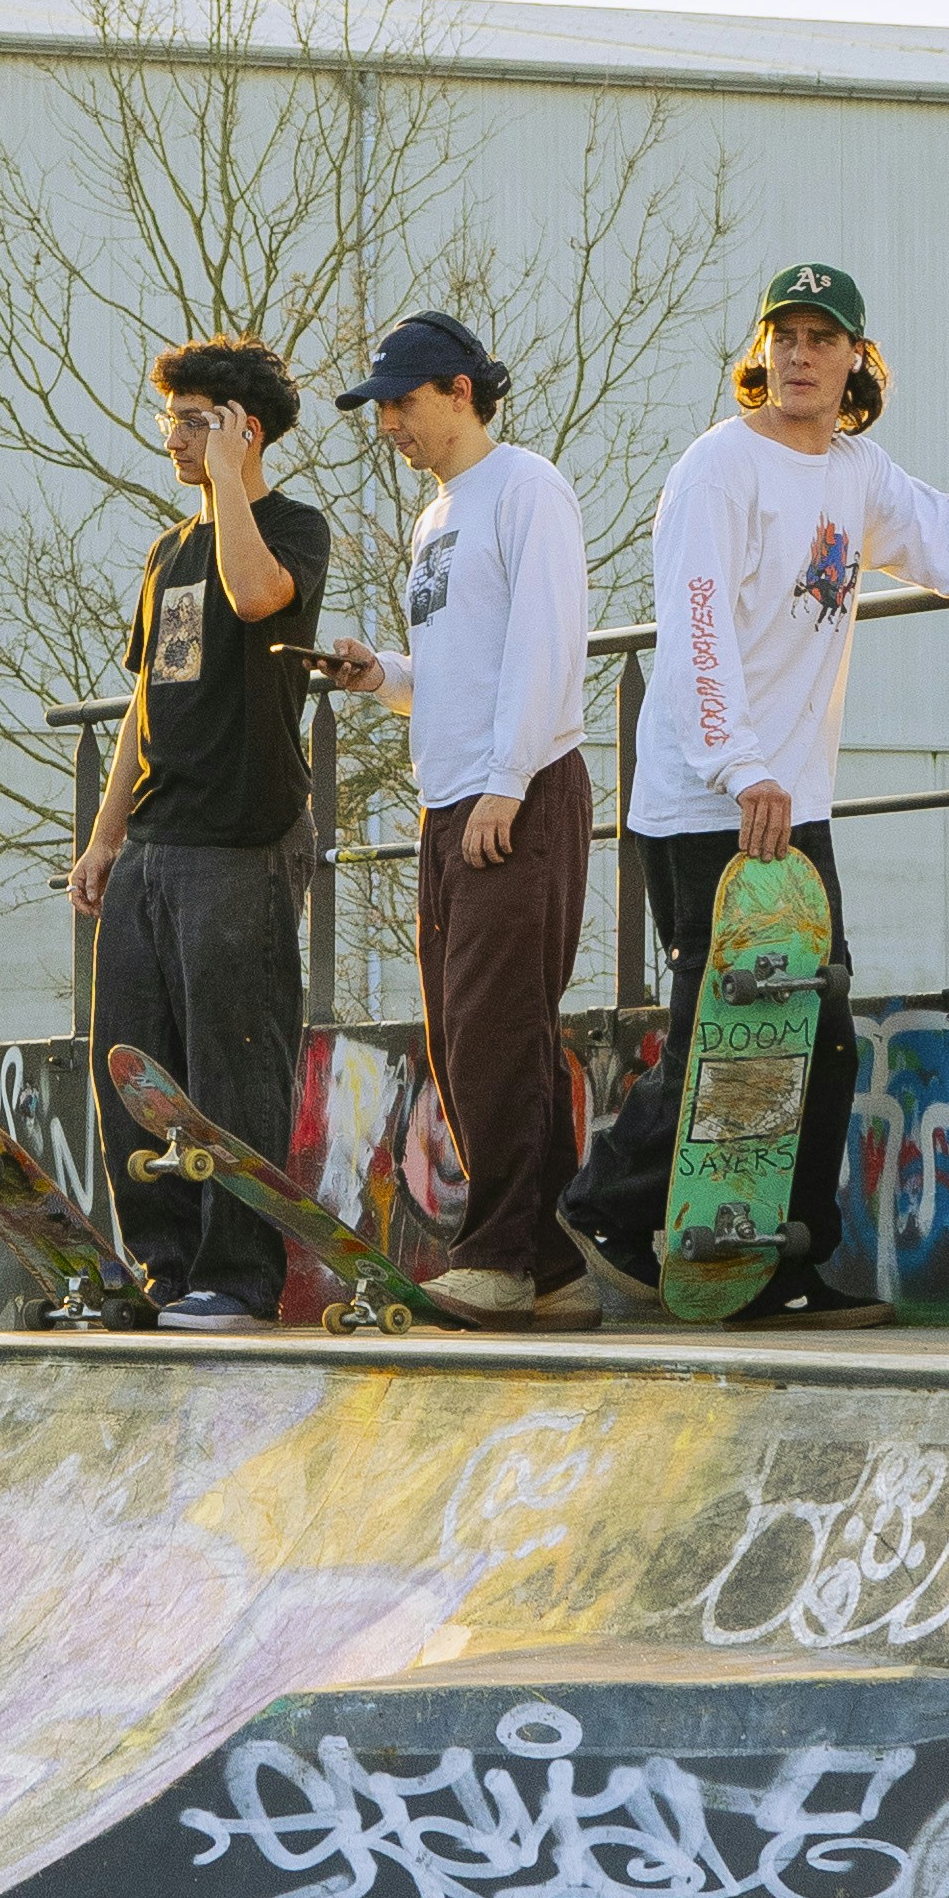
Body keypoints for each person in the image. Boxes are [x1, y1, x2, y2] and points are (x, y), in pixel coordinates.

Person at [572, 259, 949, 1316]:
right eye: (786, 337)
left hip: (790, 800)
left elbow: (940, 531)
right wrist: (743, 766)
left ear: (858, 358)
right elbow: (696, 634)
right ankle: (604, 1208)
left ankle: (780, 1260)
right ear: (760, 355)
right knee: (728, 1024)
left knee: (815, 1028)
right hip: (706, 798)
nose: (802, 355)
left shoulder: (857, 473)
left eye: (824, 338)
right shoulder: (718, 469)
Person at [315, 311, 595, 1320]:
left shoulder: (526, 488)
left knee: (493, 1026)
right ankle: (554, 1268)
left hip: (512, 794)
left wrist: (510, 782)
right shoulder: (438, 517)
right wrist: (381, 674)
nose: (389, 423)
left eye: (403, 401)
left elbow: (549, 642)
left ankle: (503, 1258)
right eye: (381, 408)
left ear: (461, 393)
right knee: (467, 1034)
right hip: (454, 798)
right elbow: (457, 669)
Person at [70, 337, 331, 1324]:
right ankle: (162, 1269)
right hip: (156, 846)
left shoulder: (292, 530)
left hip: (243, 843)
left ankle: (239, 1275)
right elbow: (146, 700)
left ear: (241, 429)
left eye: (193, 421)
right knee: (134, 1067)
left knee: (236, 1065)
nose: (171, 438)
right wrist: (104, 839)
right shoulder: (164, 553)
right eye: (171, 420)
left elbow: (259, 597)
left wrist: (230, 487)